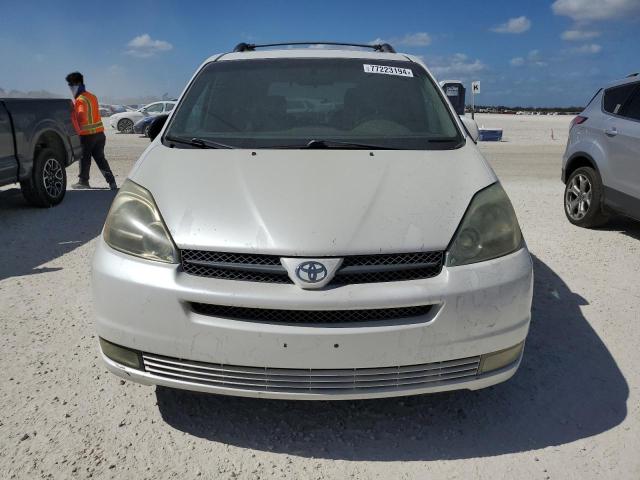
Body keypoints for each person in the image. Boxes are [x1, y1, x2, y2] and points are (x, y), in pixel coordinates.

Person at [65, 71, 117, 190]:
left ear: (76, 85)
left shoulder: (80, 99)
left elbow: (82, 114)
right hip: (99, 134)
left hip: (87, 136)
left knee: (84, 159)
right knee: (101, 159)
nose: (70, 88)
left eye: (71, 85)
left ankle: (83, 182)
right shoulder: (92, 96)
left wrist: (73, 116)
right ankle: (112, 182)